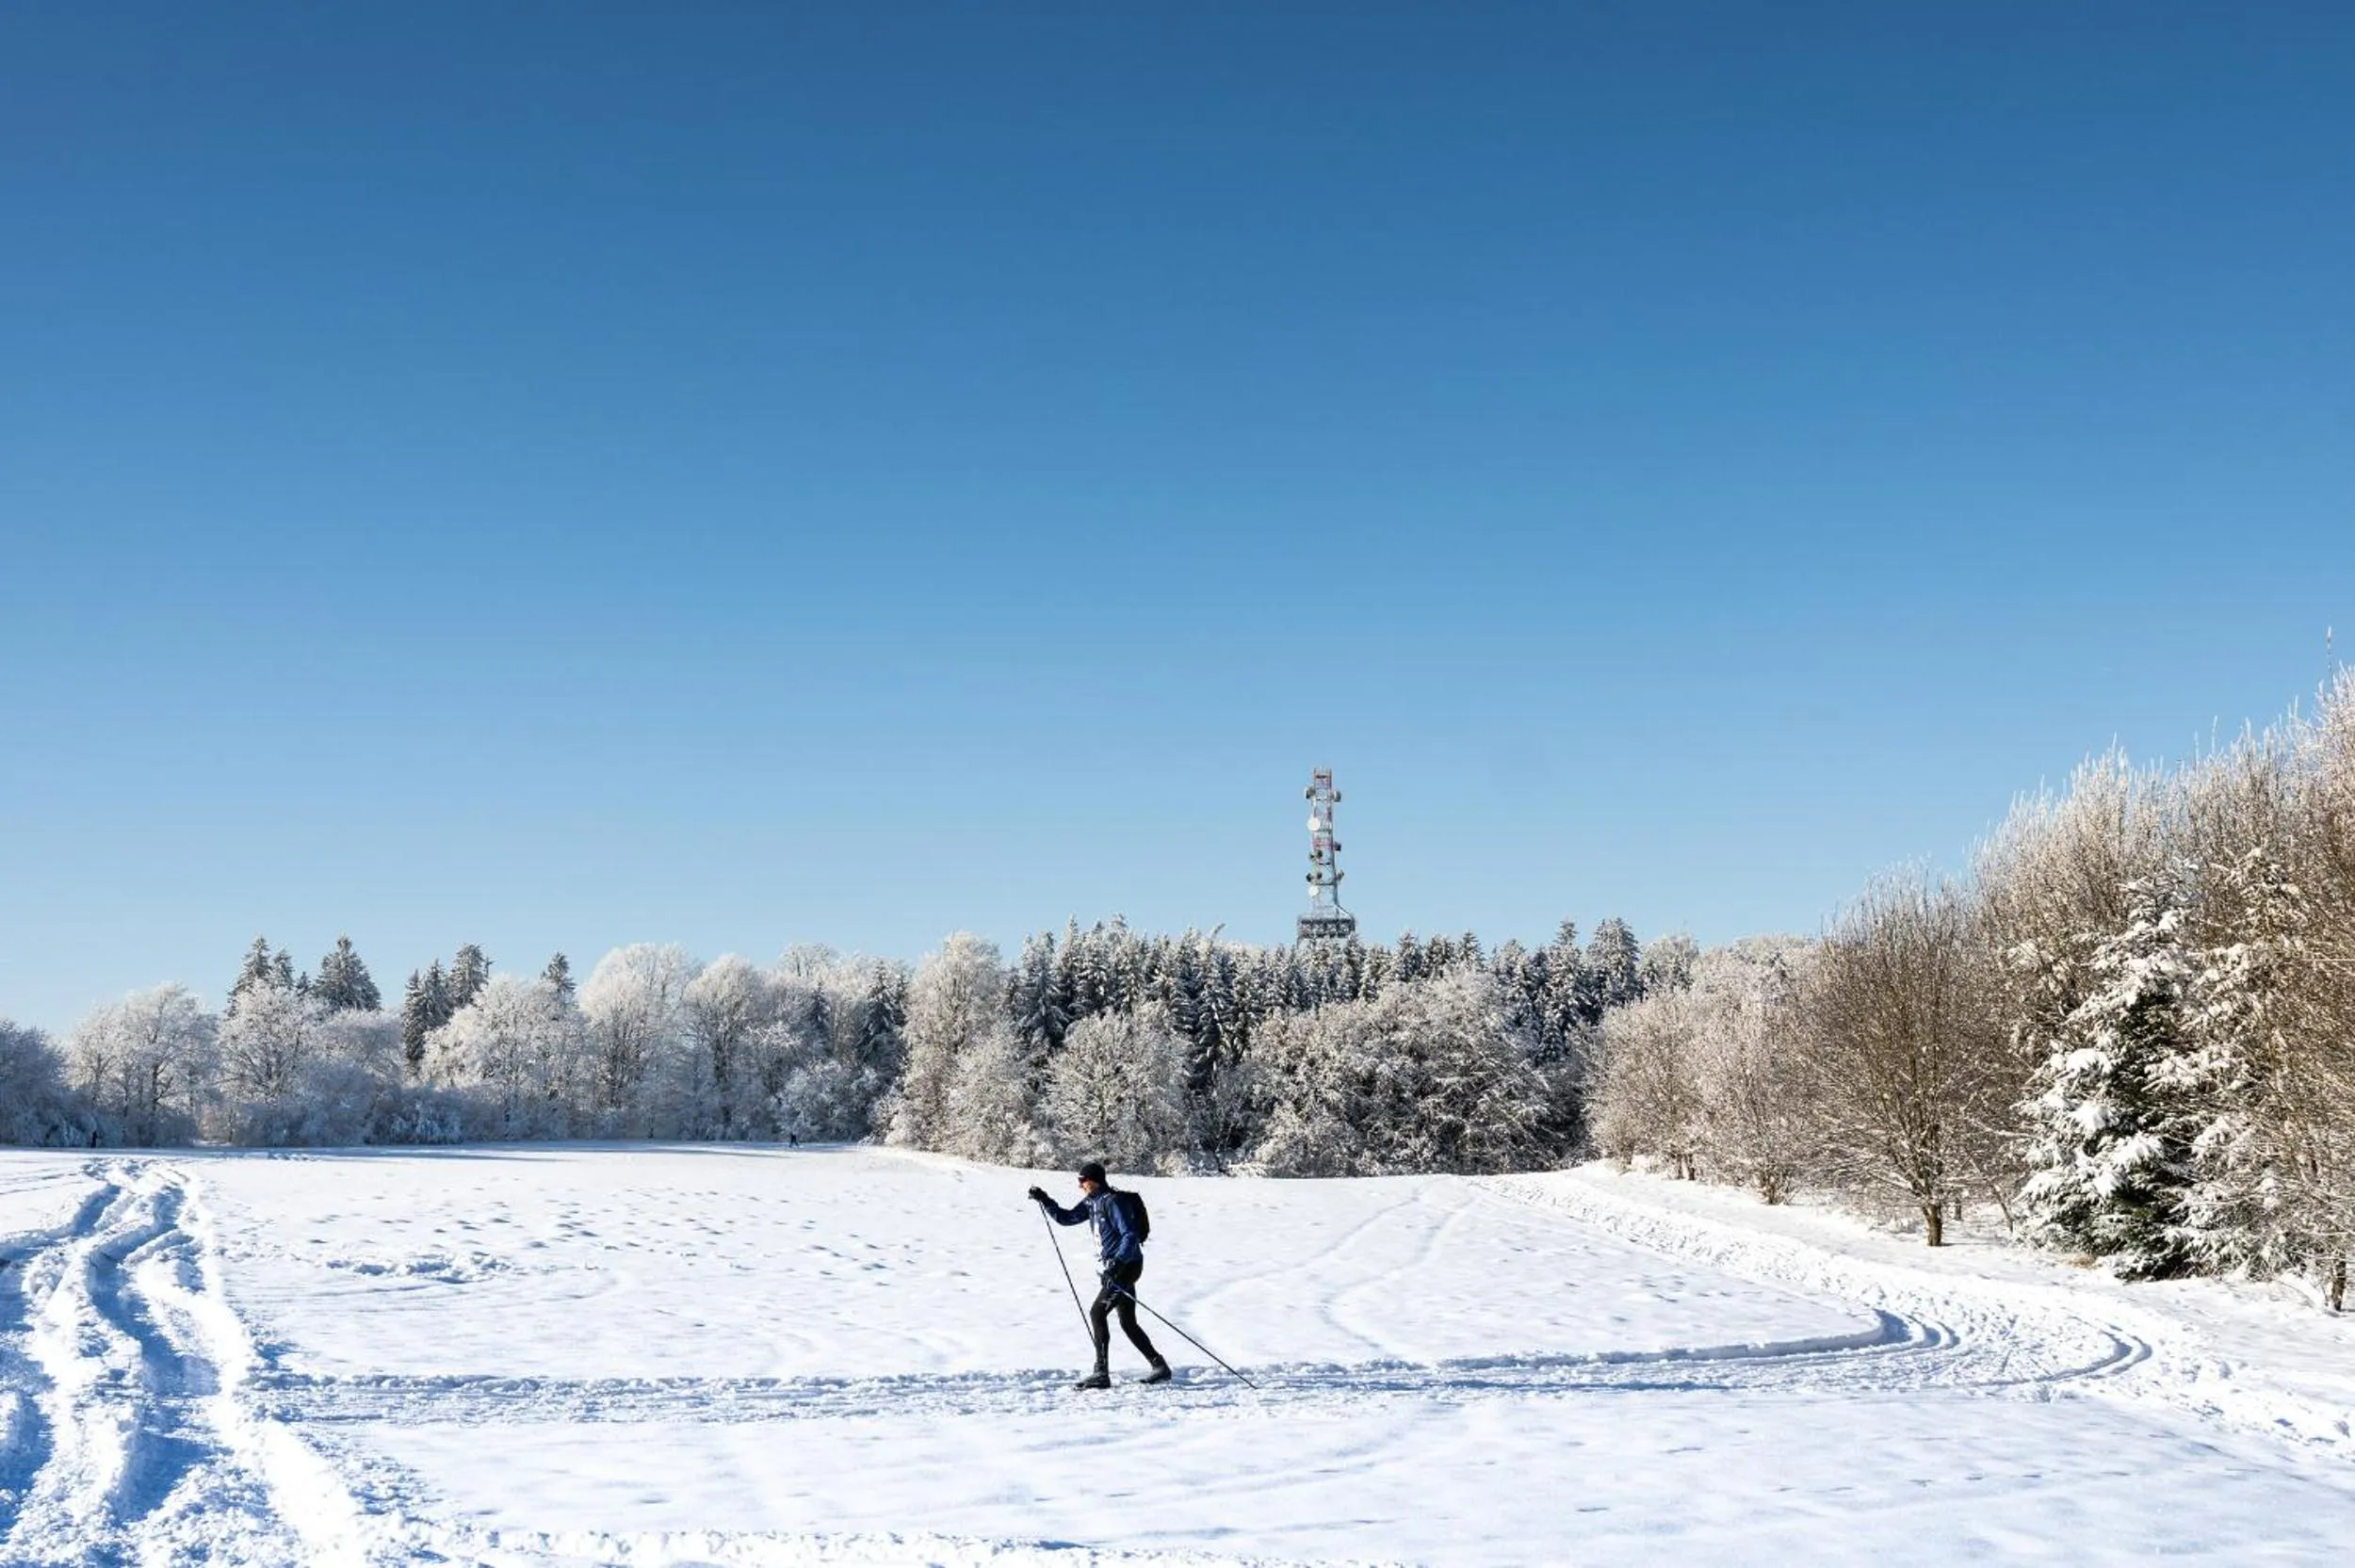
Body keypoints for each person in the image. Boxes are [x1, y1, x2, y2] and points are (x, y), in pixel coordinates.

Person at [1030, 1161, 1170, 1389]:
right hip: (1115, 1268)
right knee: (1127, 1323)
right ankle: (1160, 1366)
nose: (1080, 1185)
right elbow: (1067, 1218)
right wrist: (1045, 1200)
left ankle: (1101, 1373)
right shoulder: (1092, 1203)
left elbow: (1130, 1235)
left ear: (1094, 1181)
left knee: (1097, 1312)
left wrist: (1117, 1264)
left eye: (1082, 1181)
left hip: (1127, 1266)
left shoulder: (1114, 1202)